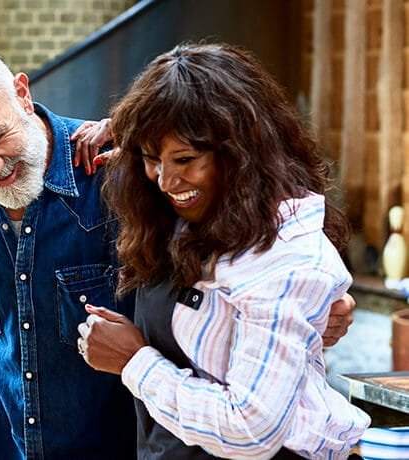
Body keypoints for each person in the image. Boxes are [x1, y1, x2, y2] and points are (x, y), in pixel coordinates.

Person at [0, 42, 357, 459]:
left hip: (115, 440)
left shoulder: (118, 173)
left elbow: (236, 225)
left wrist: (308, 304)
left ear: (22, 94)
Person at [77, 43, 370, 459]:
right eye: (151, 158)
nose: (165, 180)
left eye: (185, 159)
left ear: (240, 153)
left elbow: (250, 429)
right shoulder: (186, 216)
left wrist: (133, 362)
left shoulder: (288, 257)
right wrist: (134, 132)